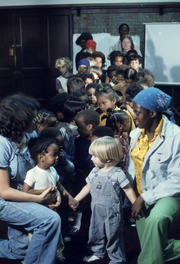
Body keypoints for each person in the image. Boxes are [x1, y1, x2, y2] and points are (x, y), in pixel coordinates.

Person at [0, 93, 61, 264]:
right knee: (50, 220)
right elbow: (4, 191)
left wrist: (62, 194)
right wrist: (39, 198)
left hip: (20, 192)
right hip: (4, 197)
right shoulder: (2, 143)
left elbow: (44, 170)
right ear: (18, 120)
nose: (35, 121)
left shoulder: (31, 136)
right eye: (31, 117)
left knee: (20, 250)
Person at [126, 88, 180, 264]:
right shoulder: (135, 135)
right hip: (142, 195)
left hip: (169, 194)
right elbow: (132, 170)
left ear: (153, 113)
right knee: (155, 248)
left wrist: (142, 198)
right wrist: (133, 197)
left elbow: (177, 180)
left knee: (157, 219)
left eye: (138, 112)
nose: (134, 116)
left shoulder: (176, 137)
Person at [73, 136, 137, 263]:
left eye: (95, 156)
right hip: (96, 209)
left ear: (108, 158)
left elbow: (128, 189)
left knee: (114, 234)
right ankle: (97, 252)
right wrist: (76, 199)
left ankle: (117, 258)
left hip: (112, 212)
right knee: (95, 232)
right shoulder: (94, 171)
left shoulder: (117, 173)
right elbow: (87, 187)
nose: (91, 158)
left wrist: (135, 204)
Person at [23, 136, 78, 262]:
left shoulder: (52, 170)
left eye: (58, 154)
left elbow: (59, 185)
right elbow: (25, 191)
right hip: (39, 210)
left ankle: (57, 254)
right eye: (54, 155)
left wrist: (69, 198)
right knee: (38, 236)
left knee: (56, 234)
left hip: (53, 209)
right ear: (41, 157)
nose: (57, 157)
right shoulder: (32, 173)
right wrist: (45, 191)